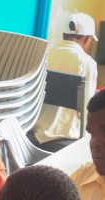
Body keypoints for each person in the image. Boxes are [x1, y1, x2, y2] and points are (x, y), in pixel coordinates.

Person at [31, 13, 99, 151]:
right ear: (87, 38)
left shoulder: (42, 54)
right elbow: (87, 106)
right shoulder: (88, 63)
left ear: (63, 35)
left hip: (32, 128)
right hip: (66, 134)